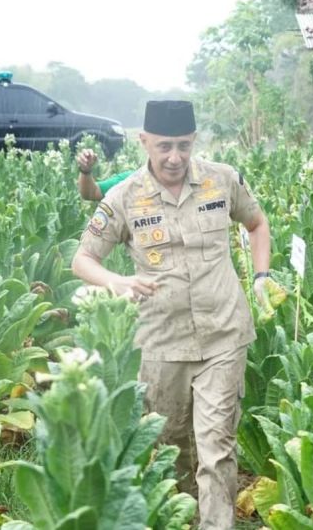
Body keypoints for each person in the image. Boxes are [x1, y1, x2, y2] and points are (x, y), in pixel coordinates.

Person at [71, 100, 271, 530]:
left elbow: (256, 223)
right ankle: (185, 517)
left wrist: (261, 275)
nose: (175, 157)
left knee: (216, 445)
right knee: (173, 446)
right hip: (161, 343)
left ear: (194, 140)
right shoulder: (124, 196)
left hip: (223, 334)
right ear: (144, 142)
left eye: (183, 145)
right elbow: (82, 259)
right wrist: (116, 282)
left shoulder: (223, 179)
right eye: (164, 147)